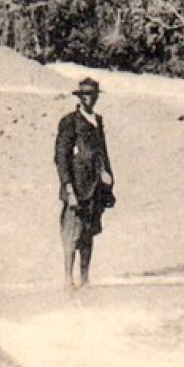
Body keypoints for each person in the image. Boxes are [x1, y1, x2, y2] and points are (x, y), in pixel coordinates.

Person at [54, 77, 115, 289]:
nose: (90, 99)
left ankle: (85, 278)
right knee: (72, 233)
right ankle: (67, 278)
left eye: (93, 95)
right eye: (86, 95)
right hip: (77, 186)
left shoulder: (97, 120)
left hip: (95, 186)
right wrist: (68, 188)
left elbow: (103, 153)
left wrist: (108, 178)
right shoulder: (70, 121)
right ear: (80, 97)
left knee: (88, 234)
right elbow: (61, 157)